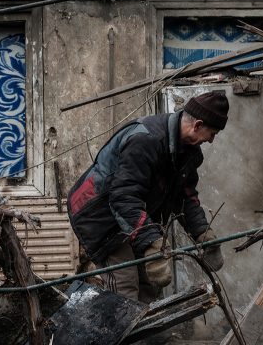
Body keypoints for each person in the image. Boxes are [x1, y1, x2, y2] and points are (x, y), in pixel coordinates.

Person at [67, 90, 228, 302]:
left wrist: (203, 234)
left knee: (149, 284)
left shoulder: (189, 152)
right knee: (124, 284)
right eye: (212, 133)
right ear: (197, 125)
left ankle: (147, 335)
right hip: (98, 214)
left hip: (131, 213)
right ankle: (121, 334)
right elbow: (123, 197)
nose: (212, 140)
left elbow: (186, 195)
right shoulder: (145, 140)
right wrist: (151, 242)